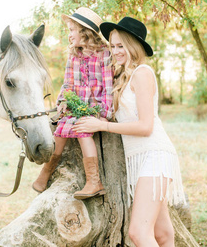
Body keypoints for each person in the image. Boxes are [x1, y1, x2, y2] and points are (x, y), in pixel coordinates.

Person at [72, 17, 186, 246]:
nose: (115, 51)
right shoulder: (122, 77)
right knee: (162, 235)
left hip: (154, 155)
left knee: (138, 232)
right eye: (113, 46)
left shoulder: (142, 73)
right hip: (141, 159)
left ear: (133, 46)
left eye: (120, 46)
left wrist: (101, 125)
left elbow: (145, 126)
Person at [32, 7, 113, 200]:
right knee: (60, 131)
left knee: (83, 130)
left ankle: (94, 181)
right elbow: (68, 83)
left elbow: (108, 86)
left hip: (94, 107)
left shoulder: (104, 54)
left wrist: (104, 112)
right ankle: (47, 171)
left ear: (85, 32)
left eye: (71, 30)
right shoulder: (73, 55)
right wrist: (62, 101)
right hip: (75, 106)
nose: (69, 35)